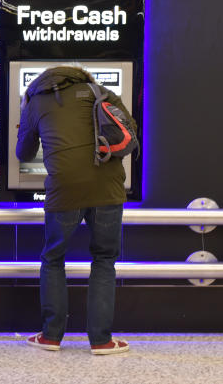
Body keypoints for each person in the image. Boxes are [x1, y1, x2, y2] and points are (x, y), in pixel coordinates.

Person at [17, 64, 136, 355]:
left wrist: (29, 129)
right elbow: (130, 133)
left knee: (54, 258)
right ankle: (101, 341)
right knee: (105, 260)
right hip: (108, 188)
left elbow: (24, 154)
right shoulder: (103, 92)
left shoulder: (37, 101)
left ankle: (51, 337)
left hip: (64, 190)